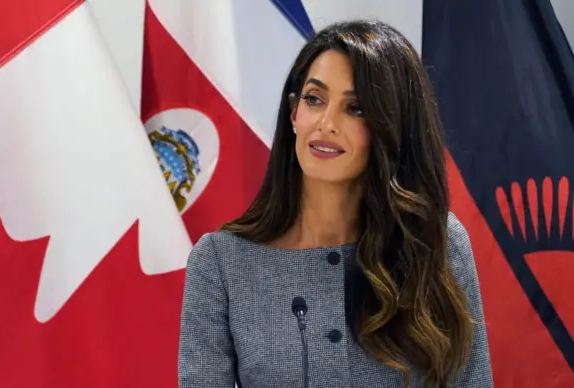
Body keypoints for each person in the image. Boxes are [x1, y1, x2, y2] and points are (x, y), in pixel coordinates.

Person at [177, 19, 494, 388]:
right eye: (314, 99)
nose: (326, 123)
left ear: (391, 125)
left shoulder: (437, 241)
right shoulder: (219, 263)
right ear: (294, 113)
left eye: (356, 108)